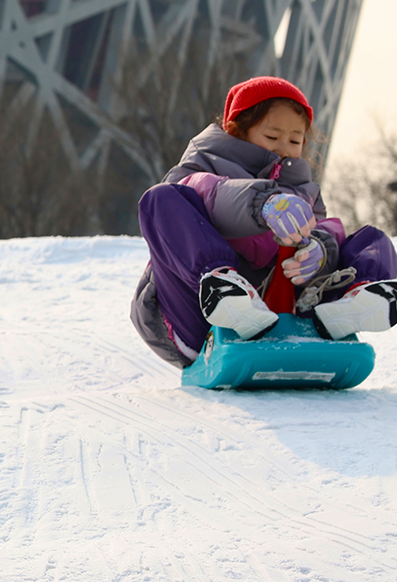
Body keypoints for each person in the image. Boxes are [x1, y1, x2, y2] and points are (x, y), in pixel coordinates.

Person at [132, 75, 397, 366]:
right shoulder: (204, 163)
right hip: (194, 312)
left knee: (372, 241)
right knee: (161, 198)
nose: (284, 147)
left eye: (295, 140)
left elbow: (323, 228)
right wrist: (262, 203)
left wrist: (320, 250)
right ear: (237, 131)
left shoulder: (304, 189)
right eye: (272, 137)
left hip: (281, 315)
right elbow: (207, 191)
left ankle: (350, 304)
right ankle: (223, 290)